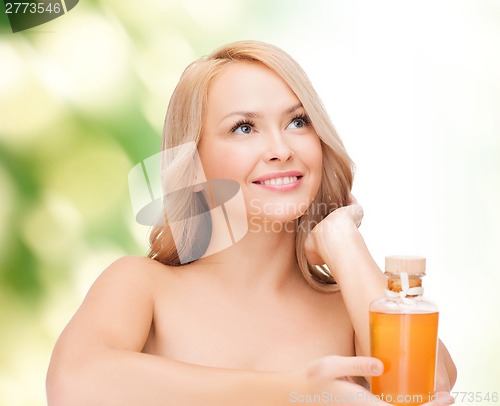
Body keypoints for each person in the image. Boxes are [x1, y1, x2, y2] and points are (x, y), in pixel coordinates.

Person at [46, 40, 456, 405]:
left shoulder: (350, 305)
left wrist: (343, 240)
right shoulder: (141, 286)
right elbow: (74, 384)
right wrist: (300, 393)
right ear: (194, 162)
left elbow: (428, 388)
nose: (281, 149)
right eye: (244, 128)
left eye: (298, 122)